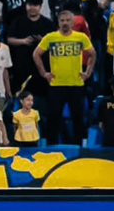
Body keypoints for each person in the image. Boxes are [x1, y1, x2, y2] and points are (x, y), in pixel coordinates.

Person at [32, 8, 96, 144]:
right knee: (53, 117)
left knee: (78, 117)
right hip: (56, 84)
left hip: (76, 84)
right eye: (62, 20)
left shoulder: (81, 37)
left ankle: (79, 146)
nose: (65, 23)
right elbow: (36, 54)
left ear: (73, 22)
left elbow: (92, 54)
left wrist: (88, 72)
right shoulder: (50, 37)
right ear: (58, 22)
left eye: (68, 20)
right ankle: (51, 146)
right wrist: (44, 73)